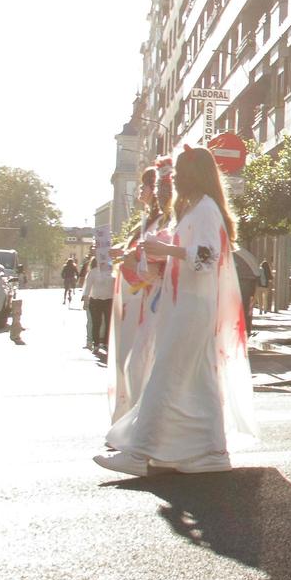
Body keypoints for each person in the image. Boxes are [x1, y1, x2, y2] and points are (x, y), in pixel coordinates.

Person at [97, 146, 259, 477]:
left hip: (191, 305)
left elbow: (207, 257)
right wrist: (157, 253)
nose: (174, 178)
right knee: (199, 379)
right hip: (186, 303)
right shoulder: (199, 209)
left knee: (165, 378)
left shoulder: (204, 210)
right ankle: (212, 451)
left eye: (180, 172)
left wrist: (165, 248)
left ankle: (139, 452)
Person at [108, 164, 167, 423]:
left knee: (137, 363)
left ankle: (136, 421)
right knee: (130, 361)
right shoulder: (145, 220)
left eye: (144, 186)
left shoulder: (161, 221)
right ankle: (129, 418)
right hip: (133, 297)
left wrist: (131, 259)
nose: (140, 191)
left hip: (145, 298)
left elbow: (156, 259)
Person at [82, 258, 116, 357]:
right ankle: (96, 344)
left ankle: (105, 343)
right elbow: (88, 287)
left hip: (109, 300)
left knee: (108, 322)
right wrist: (85, 300)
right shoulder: (93, 272)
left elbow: (116, 285)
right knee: (97, 323)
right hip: (95, 300)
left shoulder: (112, 271)